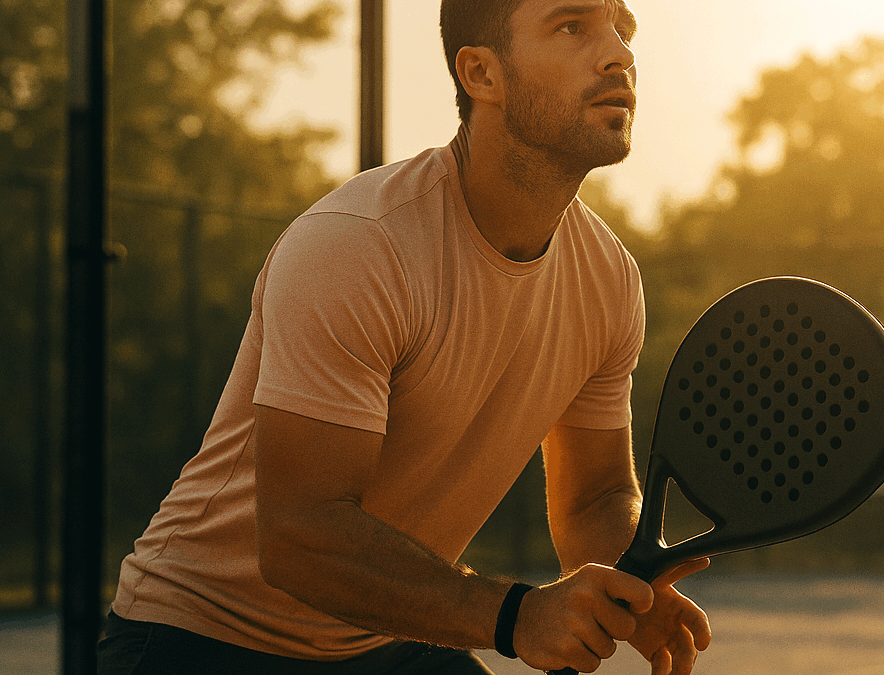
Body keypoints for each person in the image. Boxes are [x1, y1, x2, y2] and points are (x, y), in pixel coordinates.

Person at [97, 0, 712, 673]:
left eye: (622, 29)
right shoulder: (361, 244)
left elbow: (594, 497)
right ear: (482, 73)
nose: (617, 52)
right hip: (204, 635)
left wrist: (633, 580)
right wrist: (516, 614)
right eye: (572, 26)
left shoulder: (609, 280)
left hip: (380, 633)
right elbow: (301, 534)